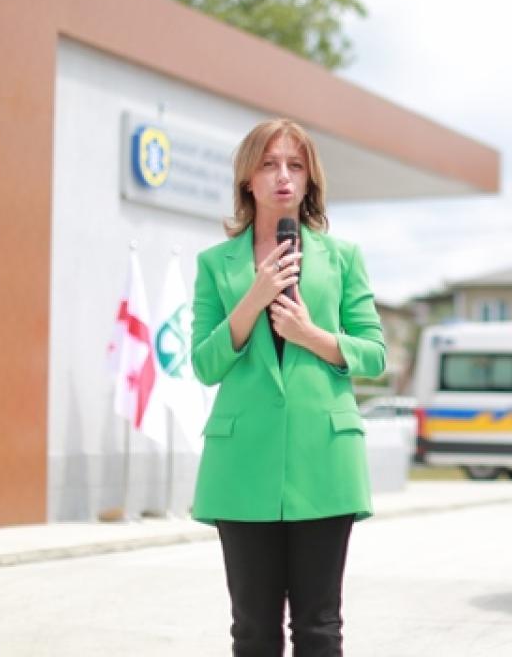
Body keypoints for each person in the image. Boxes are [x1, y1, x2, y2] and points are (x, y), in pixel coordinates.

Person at [191, 118, 385, 656]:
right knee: (252, 630)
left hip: (324, 460)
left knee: (319, 627)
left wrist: (311, 335)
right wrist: (254, 298)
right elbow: (204, 364)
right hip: (241, 467)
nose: (283, 176)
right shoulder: (215, 265)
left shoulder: (342, 258)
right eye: (269, 164)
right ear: (247, 179)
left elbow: (374, 353)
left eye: (295, 165)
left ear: (309, 179)